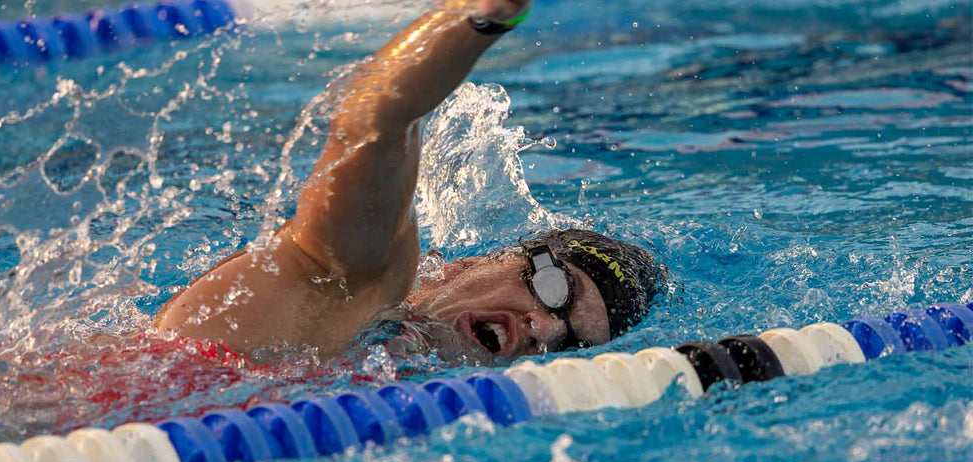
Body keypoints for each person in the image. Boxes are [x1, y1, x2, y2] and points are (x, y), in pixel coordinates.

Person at [153, 0, 665, 364]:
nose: (545, 330)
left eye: (572, 344)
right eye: (556, 291)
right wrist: (485, 12)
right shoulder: (347, 281)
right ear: (472, 263)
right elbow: (373, 125)